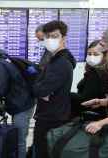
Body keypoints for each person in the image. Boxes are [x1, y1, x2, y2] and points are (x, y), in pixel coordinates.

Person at [32, 20, 76, 158]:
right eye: (47, 37)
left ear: (63, 38)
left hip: (52, 119)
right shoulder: (54, 59)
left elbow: (39, 90)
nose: (50, 40)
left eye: (54, 36)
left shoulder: (61, 63)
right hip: (49, 115)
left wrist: (39, 87)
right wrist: (40, 86)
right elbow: (41, 85)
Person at [70, 40, 108, 119]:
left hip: (91, 117)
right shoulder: (103, 71)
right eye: (89, 54)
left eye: (96, 54)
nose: (91, 57)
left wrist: (65, 94)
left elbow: (85, 100)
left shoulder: (95, 73)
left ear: (104, 56)